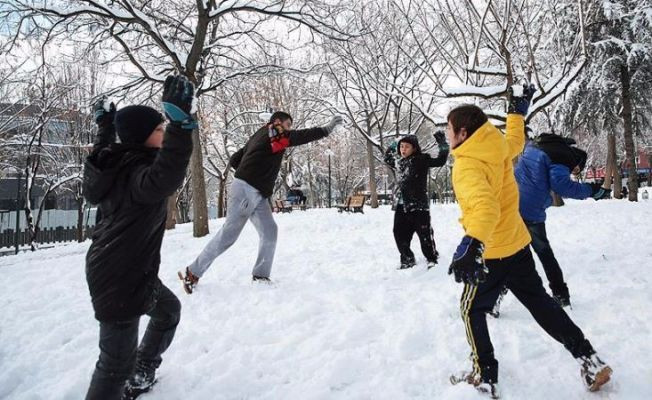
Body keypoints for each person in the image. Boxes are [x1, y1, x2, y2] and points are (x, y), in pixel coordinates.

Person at [446, 85, 612, 398]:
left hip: (492, 251)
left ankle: (483, 376)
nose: (447, 135)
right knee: (540, 303)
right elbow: (515, 141)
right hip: (518, 244)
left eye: (449, 130)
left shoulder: (467, 164)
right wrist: (516, 113)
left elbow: (484, 207)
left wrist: (472, 243)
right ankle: (589, 358)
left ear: (464, 133)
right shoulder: (495, 145)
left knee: (471, 310)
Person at [83, 76, 196, 399]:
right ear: (143, 138)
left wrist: (105, 126)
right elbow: (166, 175)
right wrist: (180, 124)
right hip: (118, 277)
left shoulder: (117, 162)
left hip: (128, 270)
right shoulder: (137, 175)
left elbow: (105, 148)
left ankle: (142, 370)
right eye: (159, 130)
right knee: (115, 363)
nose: (163, 133)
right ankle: (129, 375)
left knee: (168, 311)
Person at [179, 112, 343, 292]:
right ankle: (192, 272)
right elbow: (299, 136)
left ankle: (260, 275)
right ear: (277, 122)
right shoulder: (274, 132)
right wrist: (326, 129)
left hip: (256, 192)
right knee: (229, 235)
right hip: (248, 190)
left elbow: (235, 159)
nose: (289, 129)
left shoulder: (261, 134)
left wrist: (252, 169)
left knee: (269, 230)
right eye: (288, 124)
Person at [507, 133, 611, 309]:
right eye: (576, 170)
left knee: (507, 253)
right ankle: (561, 294)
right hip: (530, 210)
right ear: (576, 163)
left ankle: (493, 296)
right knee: (544, 253)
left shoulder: (538, 145)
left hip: (510, 203)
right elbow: (562, 186)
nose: (574, 172)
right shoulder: (563, 158)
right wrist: (591, 190)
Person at [383, 131, 449, 269]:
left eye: (406, 146)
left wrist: (442, 144)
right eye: (401, 147)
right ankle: (407, 259)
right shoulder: (400, 163)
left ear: (414, 148)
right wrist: (395, 142)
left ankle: (431, 258)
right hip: (402, 205)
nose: (403, 149)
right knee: (399, 233)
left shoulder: (422, 159)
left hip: (419, 205)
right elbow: (387, 158)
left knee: (424, 234)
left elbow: (440, 161)